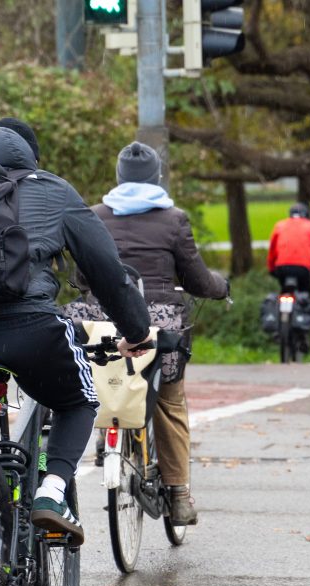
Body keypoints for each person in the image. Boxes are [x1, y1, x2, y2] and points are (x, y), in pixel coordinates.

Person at [0, 126, 151, 546]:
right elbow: (108, 273)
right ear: (27, 157)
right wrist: (135, 331)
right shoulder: (53, 190)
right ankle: (53, 492)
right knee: (78, 400)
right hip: (32, 332)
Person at [80, 141, 229, 526]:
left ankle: (103, 438)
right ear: (156, 177)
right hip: (158, 326)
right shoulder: (173, 219)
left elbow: (82, 277)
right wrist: (221, 286)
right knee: (169, 402)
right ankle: (179, 496)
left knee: (100, 378)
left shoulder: (95, 216)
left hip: (105, 322)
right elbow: (197, 279)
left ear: (118, 177)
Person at [266, 202, 310, 294]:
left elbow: (272, 250)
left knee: (284, 291)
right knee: (305, 297)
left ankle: (281, 306)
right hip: (302, 268)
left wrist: (271, 269)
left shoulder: (279, 225)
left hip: (282, 268)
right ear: (306, 215)